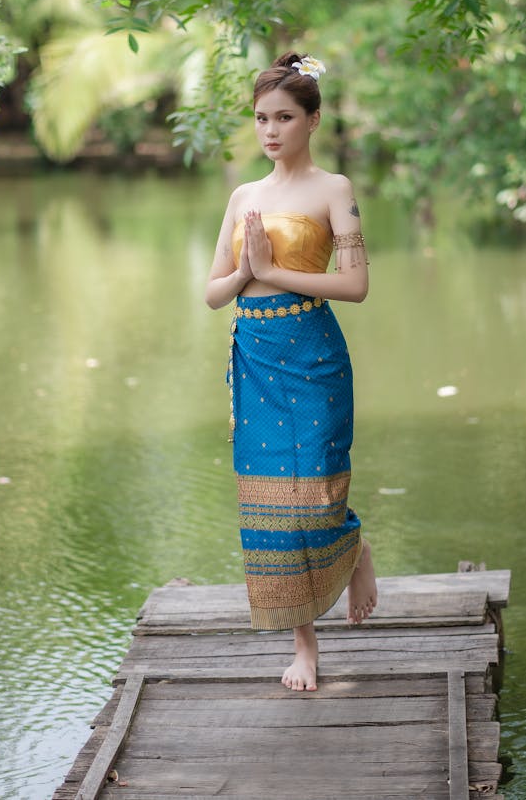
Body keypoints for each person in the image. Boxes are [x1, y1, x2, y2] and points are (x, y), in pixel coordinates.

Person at [205, 51, 377, 692]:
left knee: (317, 493)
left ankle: (353, 546)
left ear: (313, 119)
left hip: (313, 355)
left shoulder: (335, 191)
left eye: (284, 117)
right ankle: (304, 645)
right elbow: (213, 293)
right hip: (255, 359)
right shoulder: (244, 196)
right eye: (260, 118)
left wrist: (267, 269)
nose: (270, 130)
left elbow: (355, 286)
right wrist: (246, 270)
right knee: (269, 506)